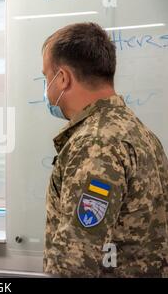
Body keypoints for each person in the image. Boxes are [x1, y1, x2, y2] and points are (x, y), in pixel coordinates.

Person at [41, 22, 168, 277]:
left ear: (63, 78)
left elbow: (75, 260)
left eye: (46, 77)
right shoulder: (140, 132)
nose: (46, 87)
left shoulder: (95, 144)